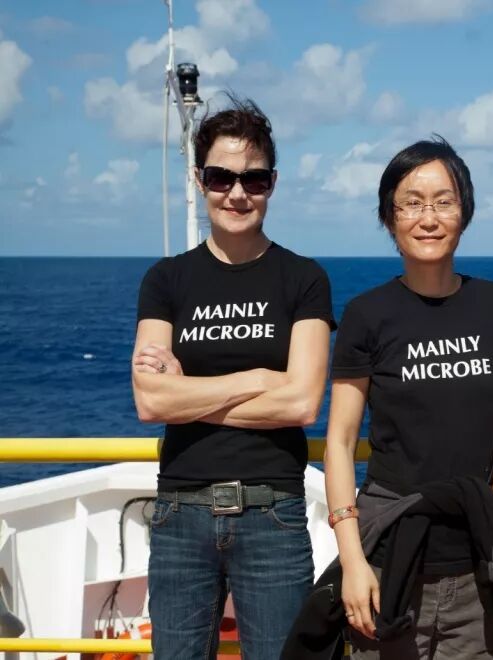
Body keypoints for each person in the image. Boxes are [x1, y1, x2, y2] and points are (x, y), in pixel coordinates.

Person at [324, 137, 493, 659]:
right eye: (411, 203)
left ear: (464, 212)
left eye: (443, 202)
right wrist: (353, 561)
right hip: (389, 558)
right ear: (389, 218)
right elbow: (338, 442)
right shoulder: (367, 314)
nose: (428, 218)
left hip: (477, 562)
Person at [131, 96, 335, 660]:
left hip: (272, 513)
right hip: (180, 512)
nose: (237, 193)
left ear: (273, 183)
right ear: (200, 180)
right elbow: (150, 402)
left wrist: (187, 393)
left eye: (254, 179)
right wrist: (261, 376)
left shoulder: (304, 279)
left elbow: (301, 404)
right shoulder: (167, 280)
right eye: (221, 177)